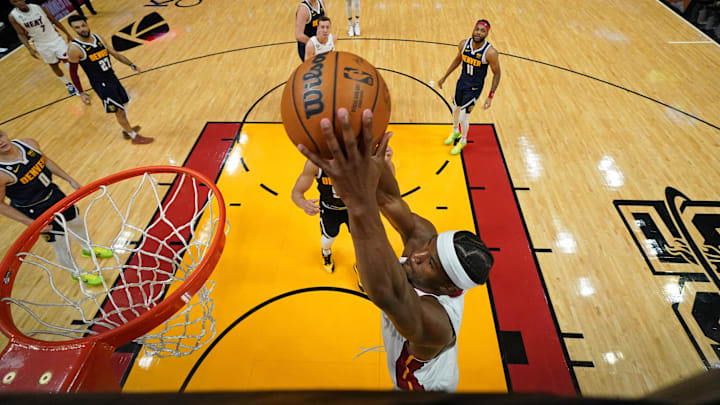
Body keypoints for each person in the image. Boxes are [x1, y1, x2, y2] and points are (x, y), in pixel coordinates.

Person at [297, 108, 494, 391]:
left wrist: (355, 197)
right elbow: (389, 198)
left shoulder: (437, 324)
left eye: (430, 263)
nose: (416, 254)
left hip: (422, 388)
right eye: (428, 248)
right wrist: (362, 154)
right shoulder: (425, 241)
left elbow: (385, 291)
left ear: (448, 288)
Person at [0, 129, 109, 285]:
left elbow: (46, 161)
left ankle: (88, 248)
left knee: (76, 223)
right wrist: (30, 222)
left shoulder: (28, 143)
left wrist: (70, 180)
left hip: (55, 195)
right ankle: (76, 273)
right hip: (35, 210)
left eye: (0, 136)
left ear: (5, 133)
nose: (0, 142)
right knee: (61, 243)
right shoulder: (1, 173)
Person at [66, 15, 153, 145]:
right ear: (73, 30)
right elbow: (73, 73)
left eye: (83, 25)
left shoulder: (98, 38)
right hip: (101, 83)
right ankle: (133, 136)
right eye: (77, 28)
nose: (82, 29)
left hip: (112, 77)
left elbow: (115, 53)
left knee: (124, 102)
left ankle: (126, 128)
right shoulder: (75, 48)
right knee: (119, 111)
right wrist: (82, 93)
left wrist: (131, 65)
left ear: (87, 24)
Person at [437, 19, 501, 155]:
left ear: (487, 34)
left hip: (475, 88)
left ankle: (463, 140)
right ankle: (455, 132)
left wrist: (490, 97)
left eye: (482, 31)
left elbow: (497, 74)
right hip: (461, 83)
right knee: (455, 110)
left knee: (463, 117)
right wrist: (444, 77)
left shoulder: (490, 53)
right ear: (473, 29)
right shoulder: (463, 44)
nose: (478, 32)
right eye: (477, 29)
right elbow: (457, 60)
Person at [8, 0, 78, 96]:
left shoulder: (37, 7)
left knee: (68, 62)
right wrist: (29, 48)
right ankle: (68, 84)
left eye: (19, 0)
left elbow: (53, 20)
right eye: (15, 2)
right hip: (41, 44)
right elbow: (20, 33)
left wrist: (68, 34)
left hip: (55, 39)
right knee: (54, 66)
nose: (19, 2)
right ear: (12, 4)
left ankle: (77, 83)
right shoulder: (13, 16)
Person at [291, 160, 348, 274]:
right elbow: (296, 193)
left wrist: (387, 162)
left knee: (364, 241)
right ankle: (326, 252)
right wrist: (303, 204)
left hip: (356, 209)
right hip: (329, 209)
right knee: (328, 238)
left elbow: (387, 185)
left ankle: (363, 267)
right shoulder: (315, 163)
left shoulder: (363, 159)